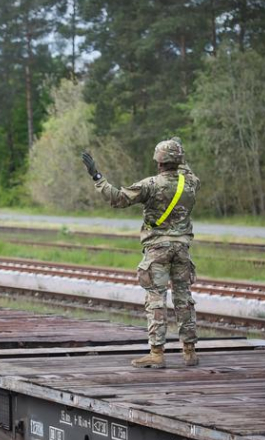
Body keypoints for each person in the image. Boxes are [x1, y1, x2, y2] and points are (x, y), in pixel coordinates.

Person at [81, 139, 200, 368]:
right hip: (183, 249)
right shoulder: (191, 183)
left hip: (157, 249)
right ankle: (189, 351)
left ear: (158, 162)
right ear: (179, 160)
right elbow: (187, 171)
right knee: (184, 299)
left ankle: (157, 353)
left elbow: (117, 199)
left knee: (156, 299)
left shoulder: (151, 185)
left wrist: (97, 177)